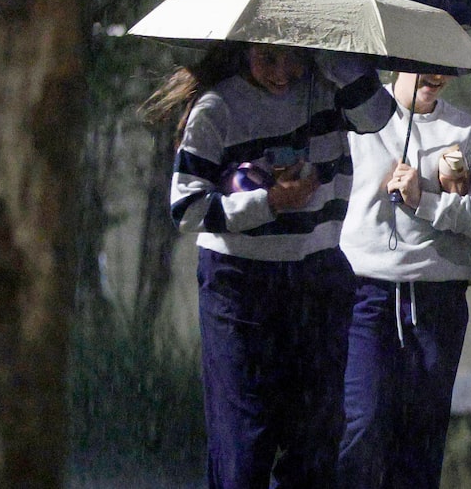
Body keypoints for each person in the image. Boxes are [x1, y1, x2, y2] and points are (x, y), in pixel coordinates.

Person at [140, 41, 394, 489]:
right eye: (268, 59)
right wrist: (269, 203)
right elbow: (187, 209)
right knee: (245, 442)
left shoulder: (327, 88)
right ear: (244, 52)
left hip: (317, 272)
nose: (282, 73)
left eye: (294, 58)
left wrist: (338, 61)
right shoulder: (217, 108)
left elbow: (377, 117)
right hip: (240, 282)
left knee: (316, 439)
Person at [336, 71, 471, 488]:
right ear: (397, 59)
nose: (435, 75)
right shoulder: (353, 116)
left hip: (438, 299)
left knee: (422, 437)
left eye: (443, 66)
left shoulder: (465, 130)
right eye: (422, 63)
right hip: (365, 293)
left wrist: (428, 201)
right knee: (362, 422)